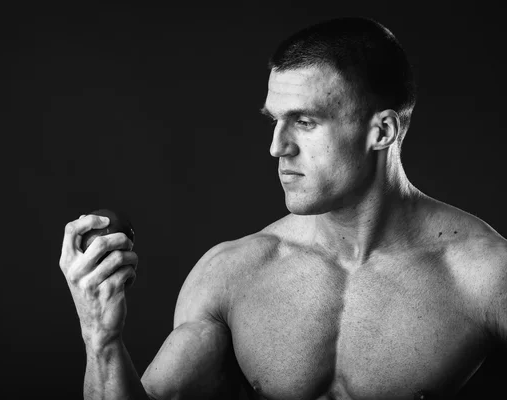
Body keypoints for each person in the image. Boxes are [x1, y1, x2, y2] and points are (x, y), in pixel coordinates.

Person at [59, 17, 507, 400]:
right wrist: (101, 337)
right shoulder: (234, 273)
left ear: (383, 130)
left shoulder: (485, 275)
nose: (276, 147)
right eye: (274, 120)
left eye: (305, 121)